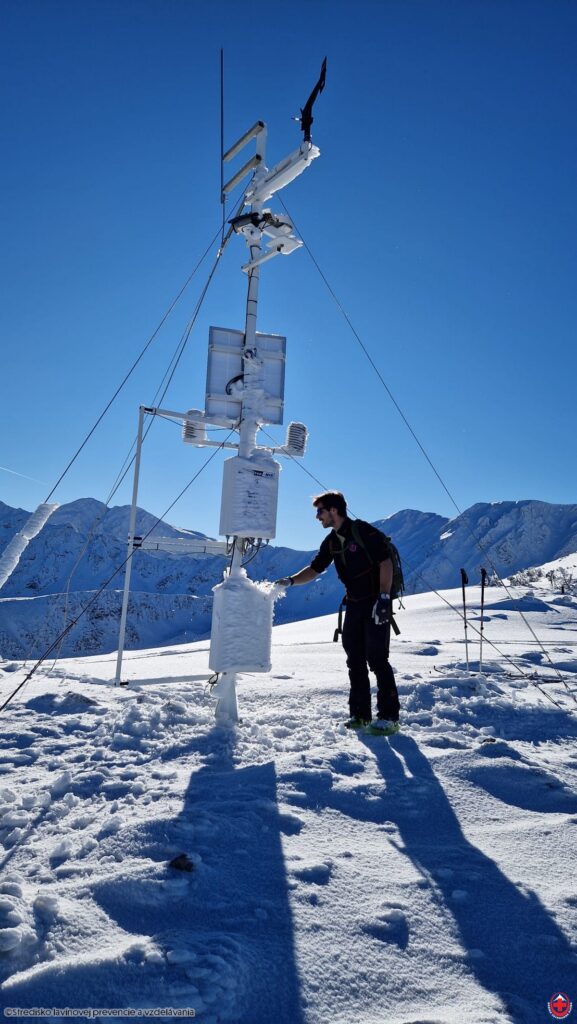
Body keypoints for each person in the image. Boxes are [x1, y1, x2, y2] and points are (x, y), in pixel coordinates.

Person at [275, 491, 400, 735]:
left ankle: (389, 717)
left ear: (334, 510)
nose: (317, 517)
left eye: (320, 511)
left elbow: (385, 562)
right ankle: (360, 715)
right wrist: (290, 581)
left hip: (376, 603)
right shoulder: (332, 541)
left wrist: (384, 598)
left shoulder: (362, 531)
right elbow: (315, 569)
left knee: (377, 659)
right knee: (355, 660)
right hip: (353, 605)